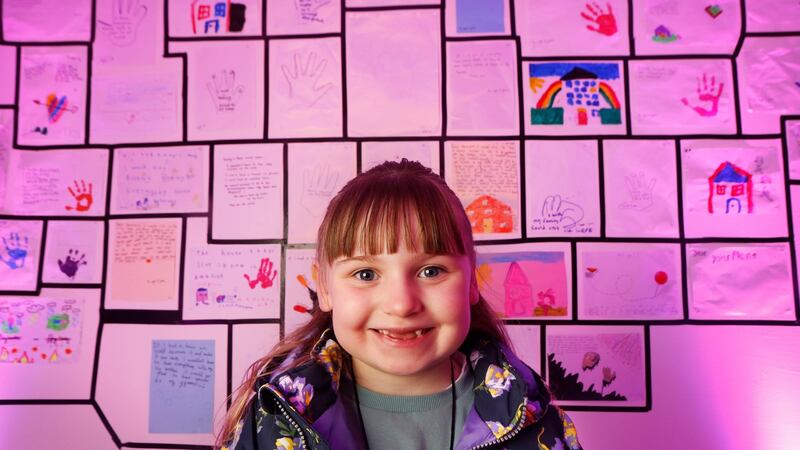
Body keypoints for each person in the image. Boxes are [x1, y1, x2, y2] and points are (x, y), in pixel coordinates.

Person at [218, 159, 582, 450]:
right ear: (324, 289)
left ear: (472, 281)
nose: (401, 303)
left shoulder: (530, 415)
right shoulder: (275, 416)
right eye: (365, 274)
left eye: (431, 270)